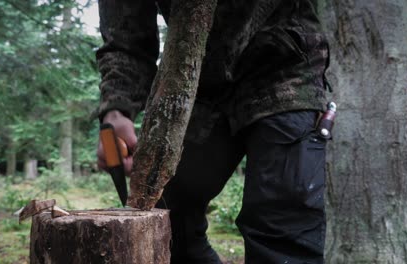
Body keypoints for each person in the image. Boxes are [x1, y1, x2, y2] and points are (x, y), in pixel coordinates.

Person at [95, 0, 330, 263]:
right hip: (195, 83)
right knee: (168, 225)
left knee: (282, 227)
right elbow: (125, 36)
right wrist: (116, 109)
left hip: (285, 67)